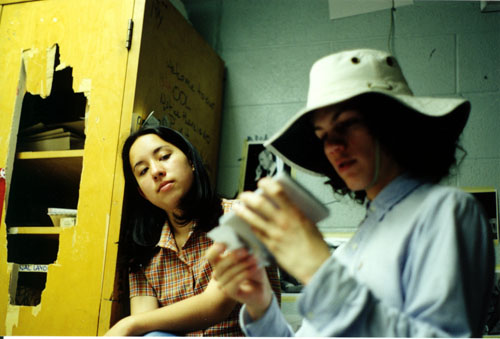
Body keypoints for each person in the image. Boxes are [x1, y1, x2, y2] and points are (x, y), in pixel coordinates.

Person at [207, 49, 495, 337]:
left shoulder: (447, 211)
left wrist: (320, 274)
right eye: (322, 136)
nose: (332, 147)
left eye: (346, 124)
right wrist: (261, 306)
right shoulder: (350, 249)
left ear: (394, 123)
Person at [105, 126, 280, 336]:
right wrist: (135, 325)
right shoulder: (143, 251)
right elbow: (147, 326)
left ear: (190, 161)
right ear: (142, 193)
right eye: (142, 170)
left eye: (164, 156)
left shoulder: (239, 215)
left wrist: (128, 325)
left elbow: (216, 305)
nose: (156, 171)